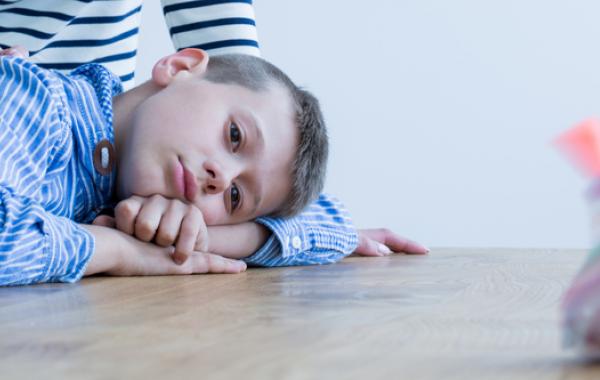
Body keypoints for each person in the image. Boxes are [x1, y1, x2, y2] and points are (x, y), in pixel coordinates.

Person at [0, 0, 429, 283]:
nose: (219, 179)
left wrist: (192, 241)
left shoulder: (128, 197)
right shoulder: (34, 102)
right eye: (235, 136)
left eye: (236, 197)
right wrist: (118, 251)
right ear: (180, 66)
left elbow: (323, 217)